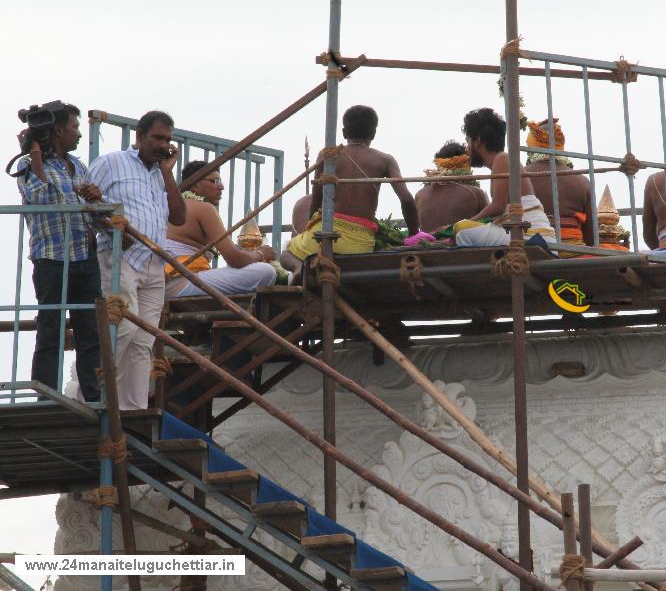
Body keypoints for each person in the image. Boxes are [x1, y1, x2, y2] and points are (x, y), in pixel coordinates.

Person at [89, 110, 187, 410]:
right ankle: (92, 396)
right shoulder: (111, 163)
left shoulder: (160, 173)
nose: (163, 144)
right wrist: (111, 227)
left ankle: (133, 410)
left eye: (168, 140)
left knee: (144, 340)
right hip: (121, 256)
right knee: (123, 329)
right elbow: (86, 204)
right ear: (140, 136)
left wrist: (169, 171)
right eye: (158, 137)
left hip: (154, 264)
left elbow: (179, 217)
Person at [15, 103, 103, 401]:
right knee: (50, 331)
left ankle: (93, 397)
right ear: (58, 130)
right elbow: (41, 192)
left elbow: (94, 212)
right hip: (51, 259)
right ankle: (46, 396)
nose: (78, 134)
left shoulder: (77, 165)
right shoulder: (28, 163)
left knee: (90, 334)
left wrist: (97, 197)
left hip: (84, 257)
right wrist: (35, 150)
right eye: (74, 127)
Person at [280, 105, 428, 274]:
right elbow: (407, 200)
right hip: (360, 243)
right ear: (373, 134)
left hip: (323, 236)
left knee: (286, 252)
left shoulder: (327, 154)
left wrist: (309, 228)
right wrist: (413, 234)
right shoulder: (385, 160)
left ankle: (300, 267)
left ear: (344, 133)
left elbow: (316, 201)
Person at [164, 160, 276, 298]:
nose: (221, 186)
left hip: (162, 280)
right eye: (214, 181)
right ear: (195, 186)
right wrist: (261, 254)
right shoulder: (203, 208)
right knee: (266, 271)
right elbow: (235, 259)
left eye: (220, 181)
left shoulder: (173, 205)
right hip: (177, 281)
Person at [453, 108, 556, 247]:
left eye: (468, 141)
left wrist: (459, 225)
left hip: (532, 236)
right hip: (527, 234)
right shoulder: (501, 161)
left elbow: (498, 207)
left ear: (477, 141)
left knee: (462, 229)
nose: (466, 148)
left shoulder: (502, 159)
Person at [524, 118, 595, 252]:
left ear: (531, 147)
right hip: (574, 255)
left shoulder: (519, 177)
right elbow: (592, 238)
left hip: (532, 252)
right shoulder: (582, 181)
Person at [414, 140, 488, 233]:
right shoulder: (476, 192)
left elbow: (417, 225)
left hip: (427, 244)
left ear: (438, 165)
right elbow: (490, 221)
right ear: (465, 165)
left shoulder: (420, 194)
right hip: (461, 244)